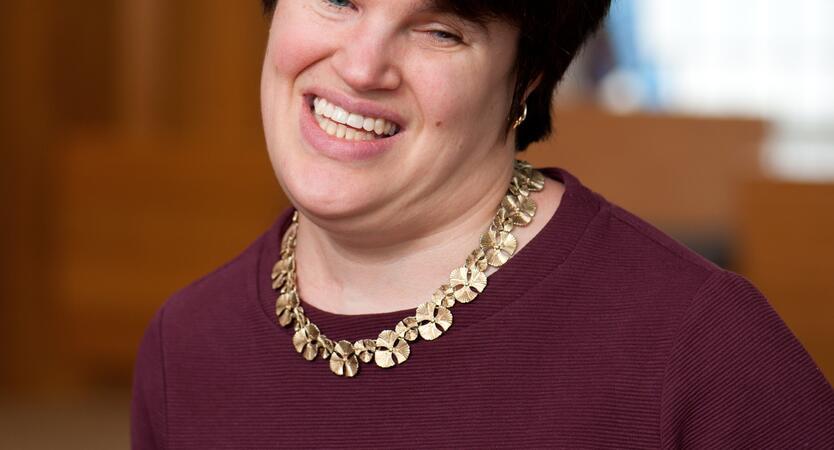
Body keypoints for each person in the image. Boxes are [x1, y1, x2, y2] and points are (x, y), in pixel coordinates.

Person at [131, 0, 834, 448]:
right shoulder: (186, 343)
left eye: (441, 30)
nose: (362, 64)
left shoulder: (700, 344)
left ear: (527, 79)